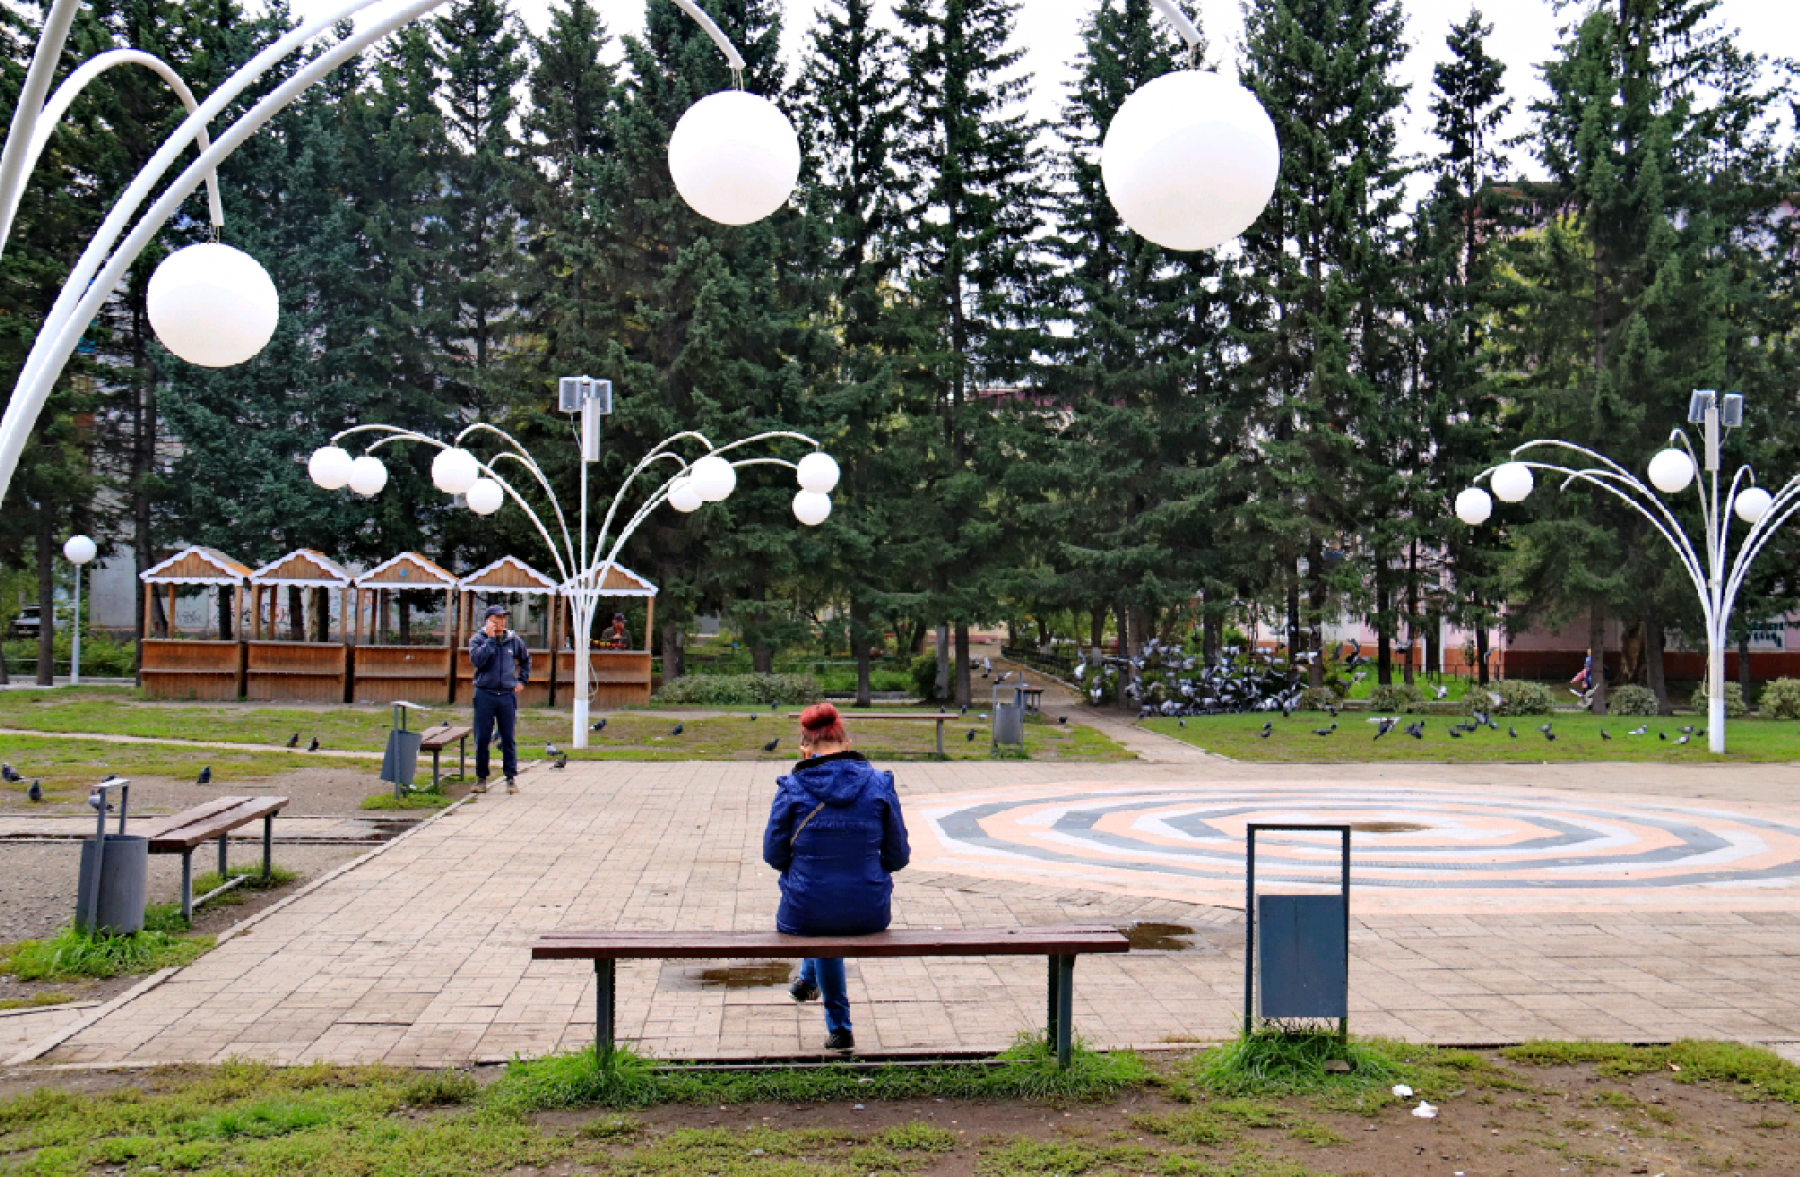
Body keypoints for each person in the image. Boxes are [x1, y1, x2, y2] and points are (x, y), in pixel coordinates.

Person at [762, 702, 909, 1052]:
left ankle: (838, 1025)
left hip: (805, 907)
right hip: (869, 907)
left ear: (805, 749)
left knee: (821, 909)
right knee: (831, 905)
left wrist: (803, 870)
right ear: (847, 745)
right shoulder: (879, 784)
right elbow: (898, 856)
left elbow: (773, 854)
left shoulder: (793, 787)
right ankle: (808, 985)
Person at [469, 604, 531, 794]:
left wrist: (522, 680)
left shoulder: (513, 640)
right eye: (497, 619)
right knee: (482, 738)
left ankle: (510, 778)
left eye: (503, 618)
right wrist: (490, 640)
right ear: (488, 621)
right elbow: (477, 660)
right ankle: (481, 779)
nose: (501, 622)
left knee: (507, 738)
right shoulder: (478, 639)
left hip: (506, 694)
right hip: (484, 693)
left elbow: (526, 659)